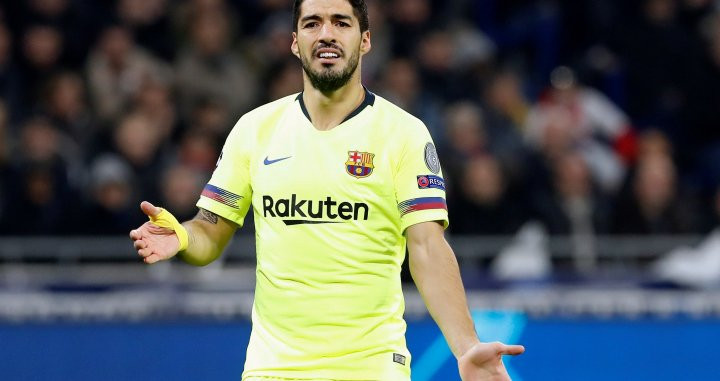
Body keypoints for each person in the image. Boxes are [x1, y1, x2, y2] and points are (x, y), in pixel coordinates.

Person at [129, 0, 524, 380]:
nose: (327, 34)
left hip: (371, 367)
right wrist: (183, 236)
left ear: (365, 40)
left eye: (341, 22)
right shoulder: (255, 129)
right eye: (313, 23)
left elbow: (427, 247)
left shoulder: (403, 133)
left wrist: (466, 345)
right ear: (294, 41)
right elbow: (211, 233)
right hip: (275, 369)